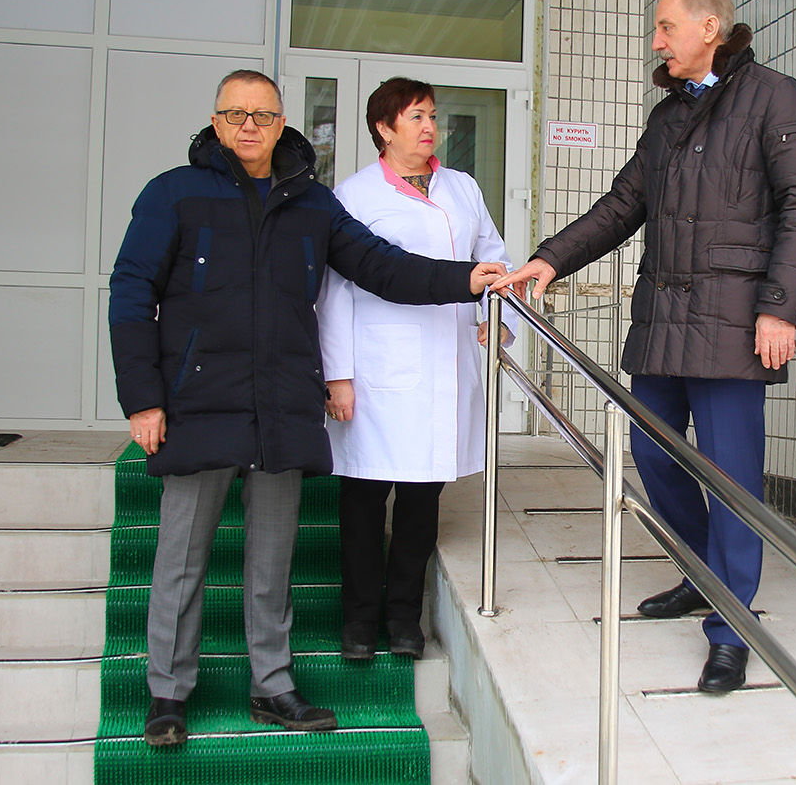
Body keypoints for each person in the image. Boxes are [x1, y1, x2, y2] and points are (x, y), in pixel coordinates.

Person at [109, 69, 507, 747]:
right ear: (215, 120)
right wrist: (143, 399)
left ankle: (273, 685)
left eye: (262, 115)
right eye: (236, 114)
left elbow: (383, 267)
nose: (249, 127)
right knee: (181, 556)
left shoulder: (312, 203)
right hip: (200, 402)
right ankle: (168, 694)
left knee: (272, 559)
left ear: (281, 121)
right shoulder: (173, 193)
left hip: (282, 404)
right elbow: (130, 293)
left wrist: (463, 279)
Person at [494, 0, 796, 693]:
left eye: (666, 27)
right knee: (650, 452)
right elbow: (623, 205)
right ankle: (701, 573)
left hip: (735, 323)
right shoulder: (669, 114)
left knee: (731, 479)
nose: (656, 41)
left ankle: (732, 630)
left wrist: (779, 308)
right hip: (664, 320)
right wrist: (551, 258)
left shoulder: (776, 98)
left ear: (709, 27)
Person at [317, 77, 514, 663]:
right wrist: (337, 374)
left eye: (432, 115)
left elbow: (493, 257)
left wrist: (497, 317)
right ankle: (359, 621)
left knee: (422, 498)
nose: (430, 127)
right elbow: (334, 290)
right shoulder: (354, 195)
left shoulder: (462, 187)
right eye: (416, 117)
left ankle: (404, 619)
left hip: (445, 359)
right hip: (377, 368)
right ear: (384, 128)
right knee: (363, 499)